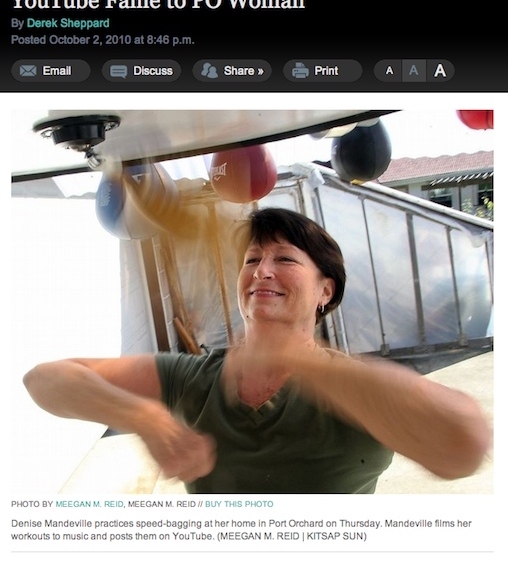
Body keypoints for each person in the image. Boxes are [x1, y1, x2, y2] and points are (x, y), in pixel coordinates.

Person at [23, 207, 491, 494]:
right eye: (252, 260)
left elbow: (463, 448)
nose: (262, 270)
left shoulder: (354, 387)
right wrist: (143, 416)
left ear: (326, 290)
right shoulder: (194, 377)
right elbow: (45, 379)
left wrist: (292, 357)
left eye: (284, 258)